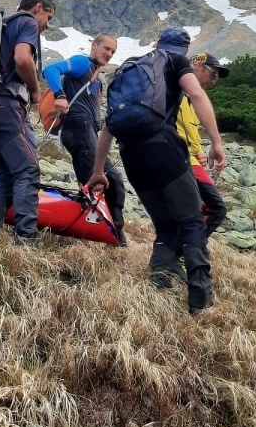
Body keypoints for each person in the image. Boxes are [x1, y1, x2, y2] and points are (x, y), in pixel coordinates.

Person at [89, 27, 226, 313]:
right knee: (191, 220)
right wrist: (215, 142)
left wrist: (98, 171)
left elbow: (107, 129)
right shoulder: (176, 62)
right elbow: (196, 94)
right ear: (185, 50)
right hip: (163, 146)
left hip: (131, 153)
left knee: (165, 225)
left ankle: (161, 285)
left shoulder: (129, 68)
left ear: (158, 43)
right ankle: (201, 298)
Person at [0, 0, 56, 245]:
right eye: (48, 17)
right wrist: (35, 89)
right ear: (38, 8)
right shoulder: (27, 21)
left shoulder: (3, 25)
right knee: (28, 171)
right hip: (7, 107)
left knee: (8, 178)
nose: (47, 24)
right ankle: (26, 243)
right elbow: (22, 59)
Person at [42, 32, 127, 244]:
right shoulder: (82, 63)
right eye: (106, 48)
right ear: (94, 46)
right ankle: (87, 231)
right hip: (77, 126)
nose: (109, 53)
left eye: (113, 51)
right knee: (91, 179)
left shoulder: (97, 79)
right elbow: (50, 69)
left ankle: (116, 234)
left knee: (114, 181)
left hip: (89, 132)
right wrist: (60, 96)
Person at [176, 52, 229, 237]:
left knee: (196, 210)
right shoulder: (176, 93)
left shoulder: (193, 102)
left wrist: (200, 154)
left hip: (191, 161)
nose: (214, 81)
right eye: (212, 74)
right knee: (216, 208)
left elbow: (191, 135)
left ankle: (182, 249)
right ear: (198, 67)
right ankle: (187, 249)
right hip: (180, 160)